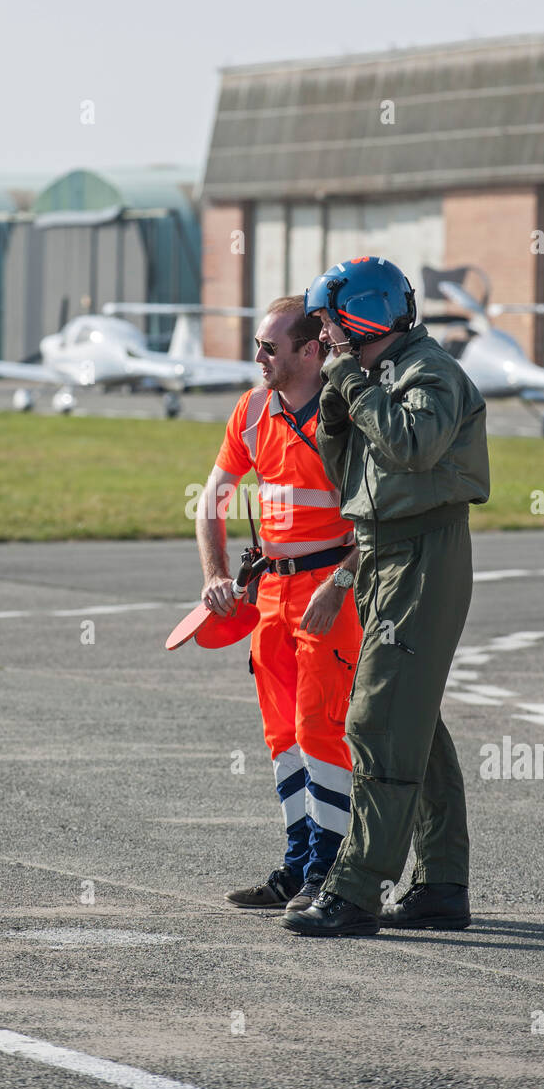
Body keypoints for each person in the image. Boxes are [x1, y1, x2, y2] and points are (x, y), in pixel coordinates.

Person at [283, 257, 490, 938]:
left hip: (423, 552)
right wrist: (342, 405)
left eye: (329, 322)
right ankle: (439, 883)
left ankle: (357, 888)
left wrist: (348, 382)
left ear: (361, 316)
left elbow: (412, 446)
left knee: (377, 720)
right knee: (416, 726)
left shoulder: (429, 372)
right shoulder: (377, 376)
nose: (325, 336)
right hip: (384, 554)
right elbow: (351, 478)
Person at [196, 295, 362, 913]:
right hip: (271, 591)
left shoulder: (345, 414)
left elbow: (382, 518)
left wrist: (341, 581)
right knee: (281, 735)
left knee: (321, 729)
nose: (258, 356)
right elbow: (211, 499)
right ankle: (297, 868)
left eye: (270, 347)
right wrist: (215, 576)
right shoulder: (252, 409)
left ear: (311, 350)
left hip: (330, 594)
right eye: (258, 345)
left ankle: (329, 871)